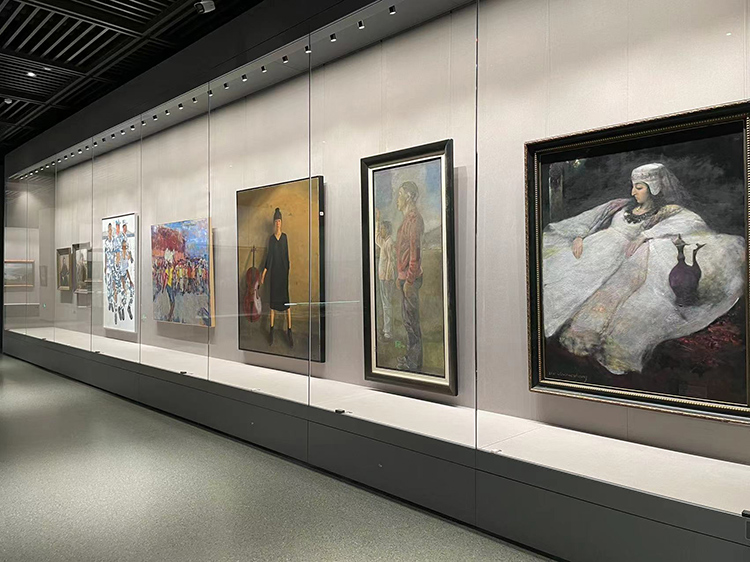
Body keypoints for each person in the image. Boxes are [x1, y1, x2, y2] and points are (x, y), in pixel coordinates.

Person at [543, 162, 744, 374]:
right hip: (595, 250)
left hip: (623, 259)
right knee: (560, 280)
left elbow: (692, 222)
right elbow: (589, 219)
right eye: (633, 186)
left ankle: (598, 338)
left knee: (614, 295)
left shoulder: (664, 212)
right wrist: (579, 236)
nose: (633, 192)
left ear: (653, 188)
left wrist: (645, 236)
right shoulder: (619, 205)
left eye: (639, 187)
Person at [395, 181, 424, 372]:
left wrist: (409, 280)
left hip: (410, 279)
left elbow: (415, 254)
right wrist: (400, 276)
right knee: (408, 321)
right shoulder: (407, 219)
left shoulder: (414, 221)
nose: (397, 199)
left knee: (412, 322)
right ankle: (411, 358)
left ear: (408, 197)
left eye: (400, 194)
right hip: (405, 278)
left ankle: (414, 363)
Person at [261, 208, 293, 347]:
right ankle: (272, 331)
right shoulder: (271, 239)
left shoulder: (284, 237)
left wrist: (287, 271)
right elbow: (269, 257)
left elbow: (287, 256)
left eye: (280, 221)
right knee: (273, 304)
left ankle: (289, 331)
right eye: (276, 221)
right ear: (274, 223)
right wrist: (264, 273)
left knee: (286, 304)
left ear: (281, 222)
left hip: (283, 274)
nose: (278, 223)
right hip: (274, 275)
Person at [375, 209, 396, 341]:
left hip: (387, 278)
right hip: (383, 277)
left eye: (382, 229)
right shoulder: (384, 242)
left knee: (387, 304)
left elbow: (391, 261)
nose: (381, 231)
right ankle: (386, 330)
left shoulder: (390, 243)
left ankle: (388, 332)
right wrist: (377, 221)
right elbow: (376, 237)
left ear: (387, 230)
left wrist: (388, 277)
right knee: (384, 303)